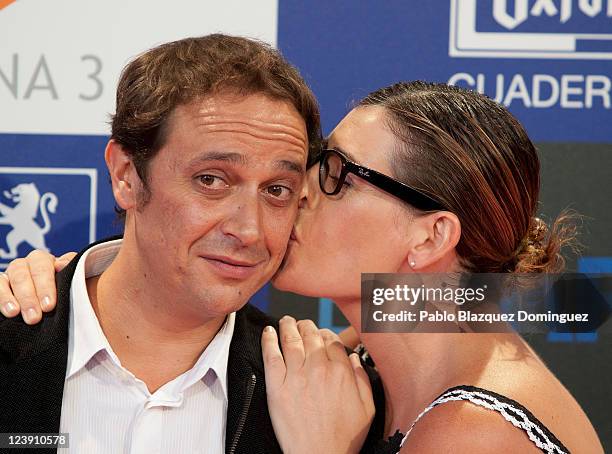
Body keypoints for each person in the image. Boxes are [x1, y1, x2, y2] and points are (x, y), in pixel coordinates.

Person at [2, 82, 605, 452]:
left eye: (338, 175)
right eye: (315, 162)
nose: (300, 193)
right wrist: (75, 280)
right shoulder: (362, 366)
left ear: (430, 236)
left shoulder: (474, 434)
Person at [0, 34, 379, 454]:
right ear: (126, 175)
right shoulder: (12, 337)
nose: (249, 230)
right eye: (211, 180)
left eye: (276, 189)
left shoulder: (324, 400)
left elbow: (463, 306)